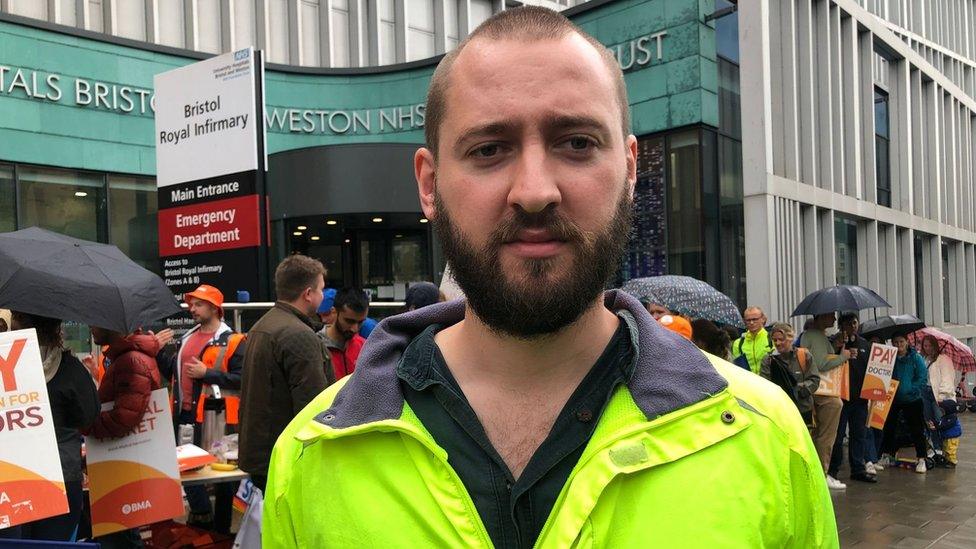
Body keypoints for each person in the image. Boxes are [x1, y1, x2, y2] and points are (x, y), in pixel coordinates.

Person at [263, 8, 837, 548]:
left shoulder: (765, 437)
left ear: (630, 170)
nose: (535, 191)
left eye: (577, 144)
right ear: (429, 184)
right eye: (489, 149)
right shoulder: (312, 457)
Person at [0, 312, 99, 542]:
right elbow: (89, 416)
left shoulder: (6, 366)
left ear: (17, 326)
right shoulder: (71, 369)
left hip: (12, 477)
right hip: (62, 478)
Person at [239, 255, 333, 493]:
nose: (323, 296)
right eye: (321, 290)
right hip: (287, 458)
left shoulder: (262, 325)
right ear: (308, 293)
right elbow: (312, 405)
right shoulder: (298, 334)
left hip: (263, 453)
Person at [156, 284, 245, 533]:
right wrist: (158, 352)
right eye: (191, 304)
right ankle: (202, 514)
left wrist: (209, 374)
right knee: (186, 468)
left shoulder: (233, 341)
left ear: (215, 308)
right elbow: (172, 373)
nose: (192, 309)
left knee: (222, 474)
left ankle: (221, 529)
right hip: (184, 414)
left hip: (217, 417)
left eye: (199, 304)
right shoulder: (187, 338)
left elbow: (243, 378)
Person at [85, 325, 162, 548]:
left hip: (121, 460)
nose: (91, 328)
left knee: (119, 534)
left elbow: (124, 418)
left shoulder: (131, 361)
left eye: (95, 322)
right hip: (121, 458)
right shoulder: (126, 357)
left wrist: (86, 424)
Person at [800, 312, 850, 489]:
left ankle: (817, 472)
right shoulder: (816, 336)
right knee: (826, 435)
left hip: (815, 391)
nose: (835, 320)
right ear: (820, 317)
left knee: (817, 433)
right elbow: (821, 364)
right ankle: (822, 473)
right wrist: (844, 356)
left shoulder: (810, 335)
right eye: (831, 316)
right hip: (824, 392)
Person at [828, 313, 876, 483]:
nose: (853, 326)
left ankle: (858, 468)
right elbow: (827, 363)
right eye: (849, 324)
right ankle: (833, 469)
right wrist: (839, 348)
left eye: (855, 323)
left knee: (859, 434)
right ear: (841, 326)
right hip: (840, 397)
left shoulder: (864, 344)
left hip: (860, 398)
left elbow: (873, 369)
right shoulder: (834, 342)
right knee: (838, 435)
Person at [878, 335, 930, 474]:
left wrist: (911, 389)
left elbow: (922, 377)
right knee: (889, 428)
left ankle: (921, 459)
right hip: (893, 398)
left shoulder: (916, 358)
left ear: (907, 342)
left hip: (913, 400)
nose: (898, 344)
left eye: (901, 341)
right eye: (895, 342)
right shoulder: (890, 358)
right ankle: (887, 454)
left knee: (917, 430)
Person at [760, 323, 819, 425]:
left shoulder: (804, 355)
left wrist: (798, 389)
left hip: (802, 409)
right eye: (775, 340)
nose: (778, 343)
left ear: (790, 338)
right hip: (779, 411)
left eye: (781, 339)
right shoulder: (768, 360)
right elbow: (764, 384)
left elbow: (814, 380)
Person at [319, 288, 369, 380]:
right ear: (334, 312)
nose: (355, 329)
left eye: (360, 322)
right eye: (349, 321)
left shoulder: (364, 346)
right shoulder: (317, 346)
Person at [731, 306, 772, 374]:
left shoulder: (771, 339)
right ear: (744, 321)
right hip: (748, 382)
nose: (751, 322)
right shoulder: (738, 343)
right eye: (748, 320)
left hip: (769, 381)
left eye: (755, 319)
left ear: (763, 319)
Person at [923, 335, 956, 403]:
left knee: (939, 413)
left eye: (930, 346)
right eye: (925, 346)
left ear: (935, 346)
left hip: (938, 394)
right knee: (928, 413)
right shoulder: (925, 359)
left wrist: (941, 397)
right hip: (925, 392)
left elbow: (947, 379)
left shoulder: (944, 359)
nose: (928, 348)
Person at [937, 399, 962, 468]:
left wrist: (938, 427)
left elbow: (946, 425)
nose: (941, 411)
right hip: (947, 436)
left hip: (952, 437)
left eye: (943, 409)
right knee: (945, 448)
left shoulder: (952, 417)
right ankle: (946, 459)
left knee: (950, 449)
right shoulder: (946, 417)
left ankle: (952, 462)